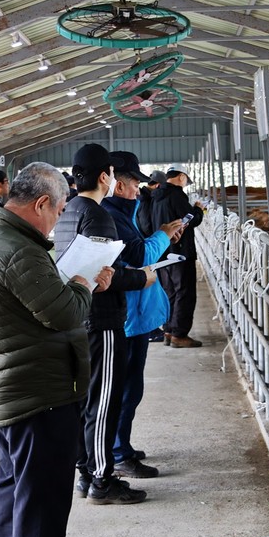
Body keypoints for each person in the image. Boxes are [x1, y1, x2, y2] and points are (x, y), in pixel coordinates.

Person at [0, 161, 112, 537]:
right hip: (37, 389)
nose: (59, 217)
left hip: (11, 383)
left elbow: (37, 301)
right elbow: (63, 313)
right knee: (44, 491)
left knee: (14, 481)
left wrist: (75, 286)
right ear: (42, 203)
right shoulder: (19, 250)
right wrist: (84, 286)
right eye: (60, 209)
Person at [54, 143, 152, 503]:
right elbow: (102, 276)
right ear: (103, 177)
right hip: (102, 319)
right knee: (104, 400)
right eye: (111, 174)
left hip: (77, 317)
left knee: (86, 399)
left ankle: (86, 472)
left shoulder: (69, 210)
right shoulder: (98, 215)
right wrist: (142, 278)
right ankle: (101, 479)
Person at [104, 152, 184, 475]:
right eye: (135, 183)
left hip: (135, 313)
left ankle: (121, 445)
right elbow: (139, 256)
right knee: (125, 389)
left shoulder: (125, 212)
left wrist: (161, 237)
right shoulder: (112, 215)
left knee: (130, 387)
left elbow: (140, 250)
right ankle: (118, 453)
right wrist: (162, 234)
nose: (139, 189)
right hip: (128, 315)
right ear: (119, 185)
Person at [151, 164, 205, 348]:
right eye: (185, 180)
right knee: (184, 292)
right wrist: (198, 210)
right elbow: (190, 220)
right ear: (182, 177)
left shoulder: (156, 196)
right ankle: (179, 334)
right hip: (180, 253)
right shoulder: (176, 195)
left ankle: (168, 330)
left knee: (170, 292)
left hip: (162, 252)